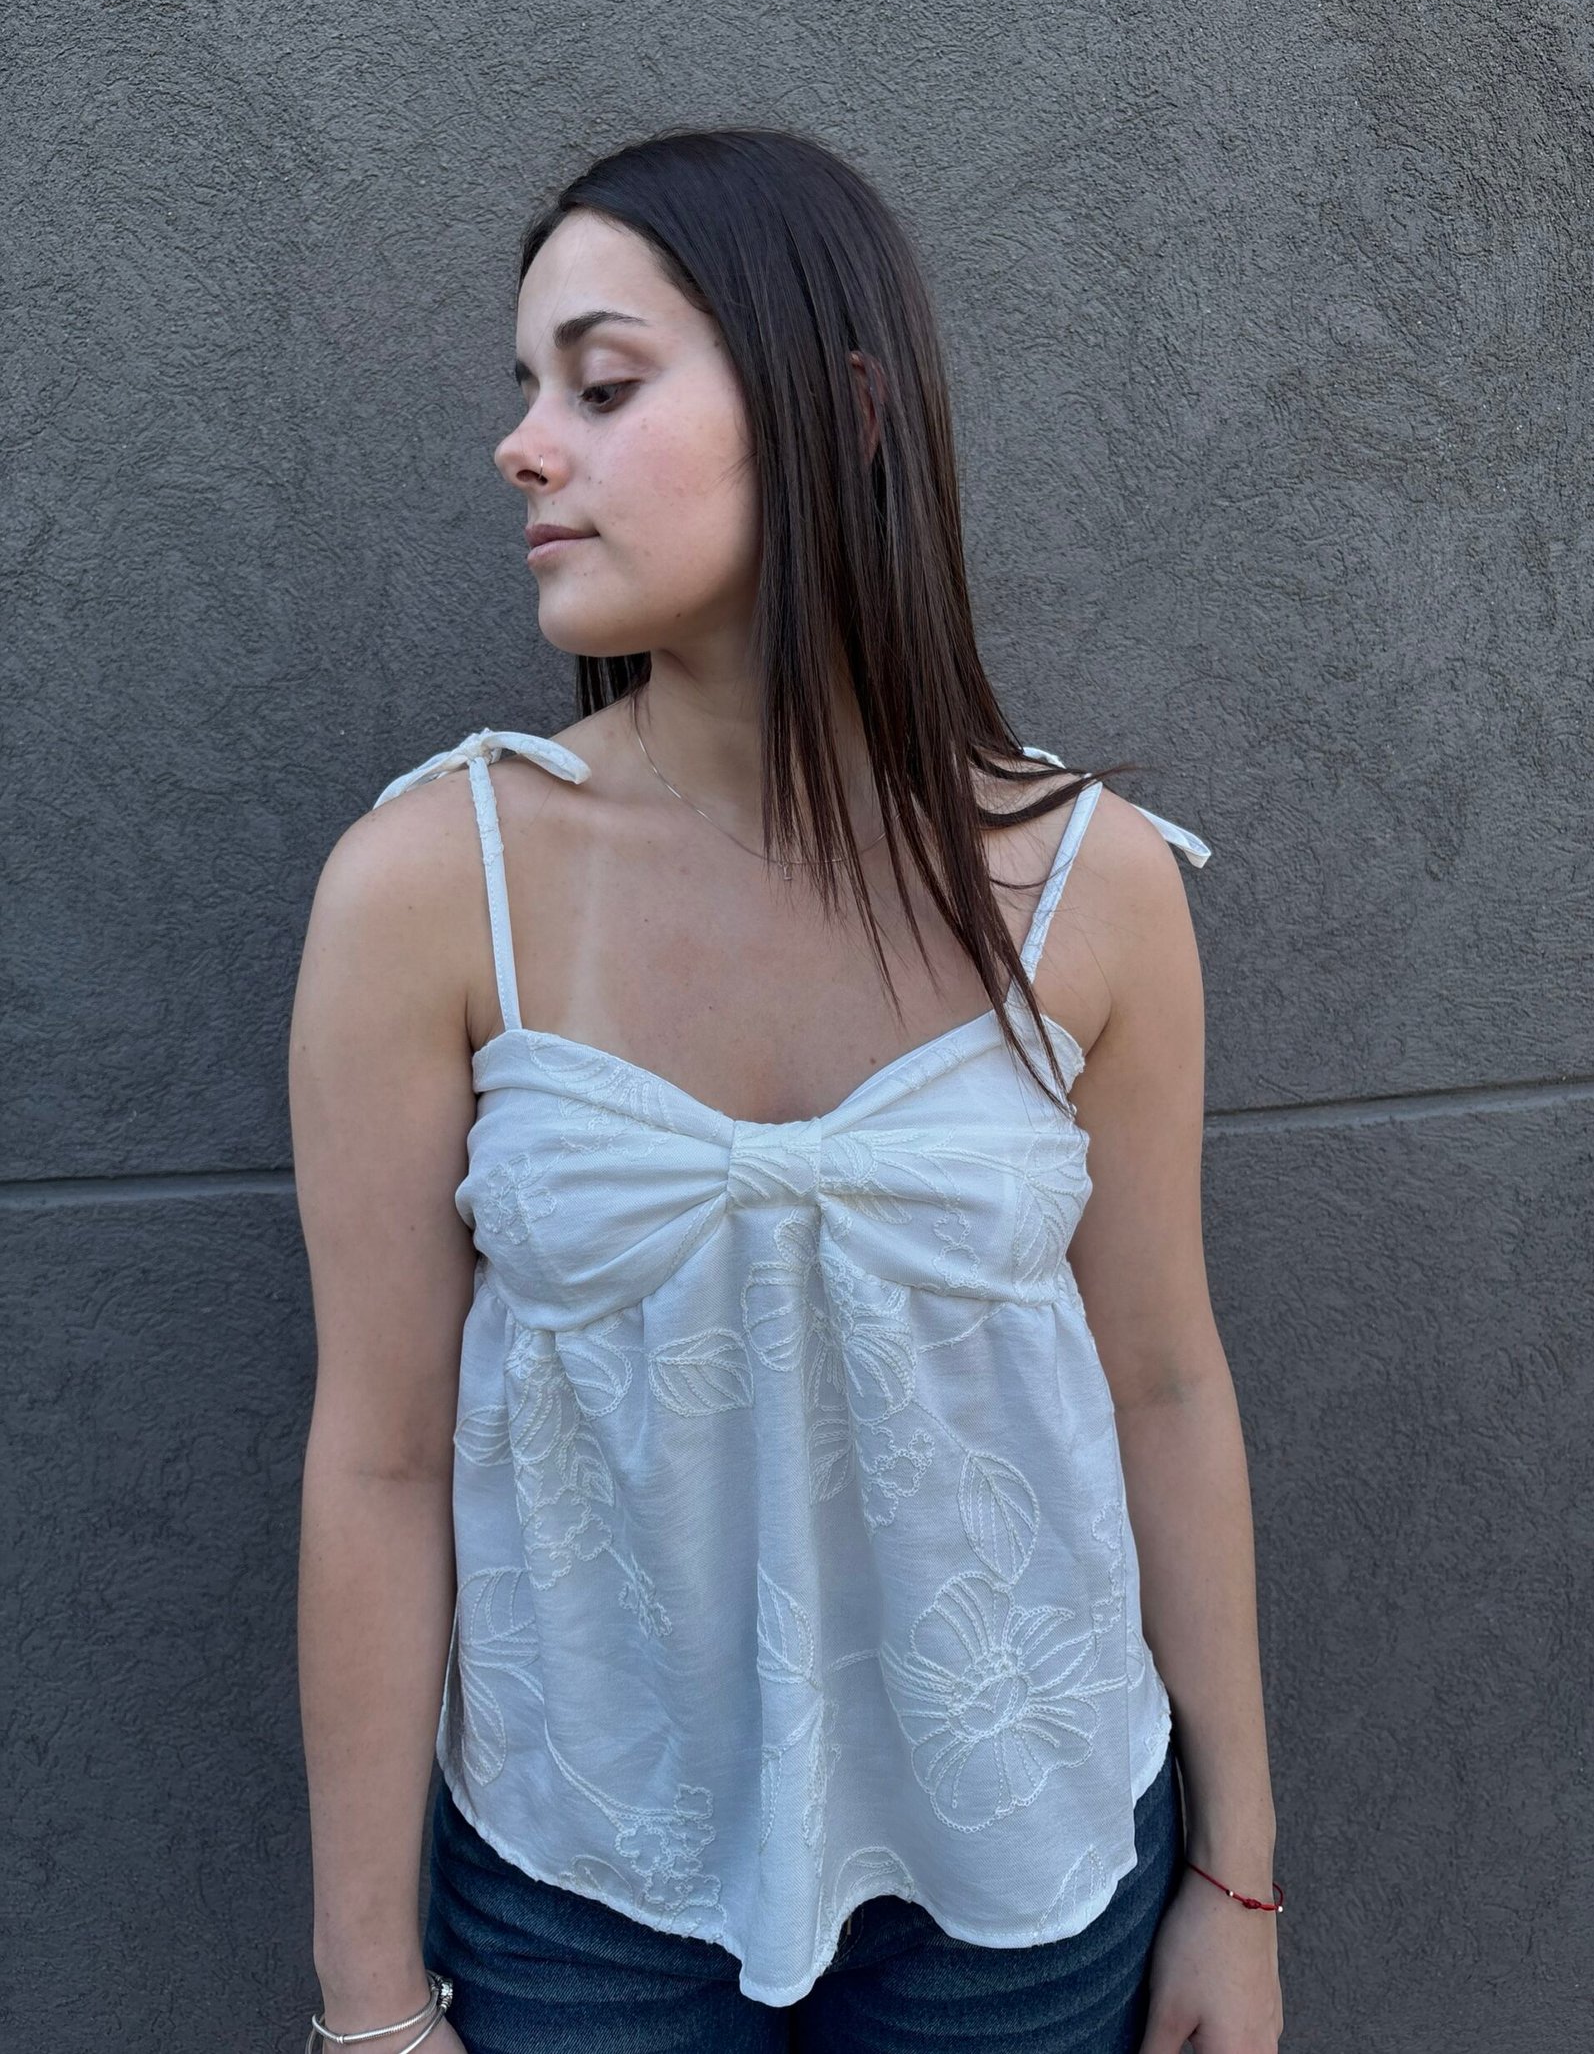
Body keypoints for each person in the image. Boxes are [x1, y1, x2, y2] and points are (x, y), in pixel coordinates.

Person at [292, 126, 1283, 2054]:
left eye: (601, 384)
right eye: (528, 391)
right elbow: (380, 1457)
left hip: (1027, 1874)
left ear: (843, 411)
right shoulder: (432, 887)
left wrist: (1238, 1879)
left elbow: (1164, 1382)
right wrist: (368, 2000)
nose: (522, 446)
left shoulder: (1091, 886)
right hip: (587, 1891)